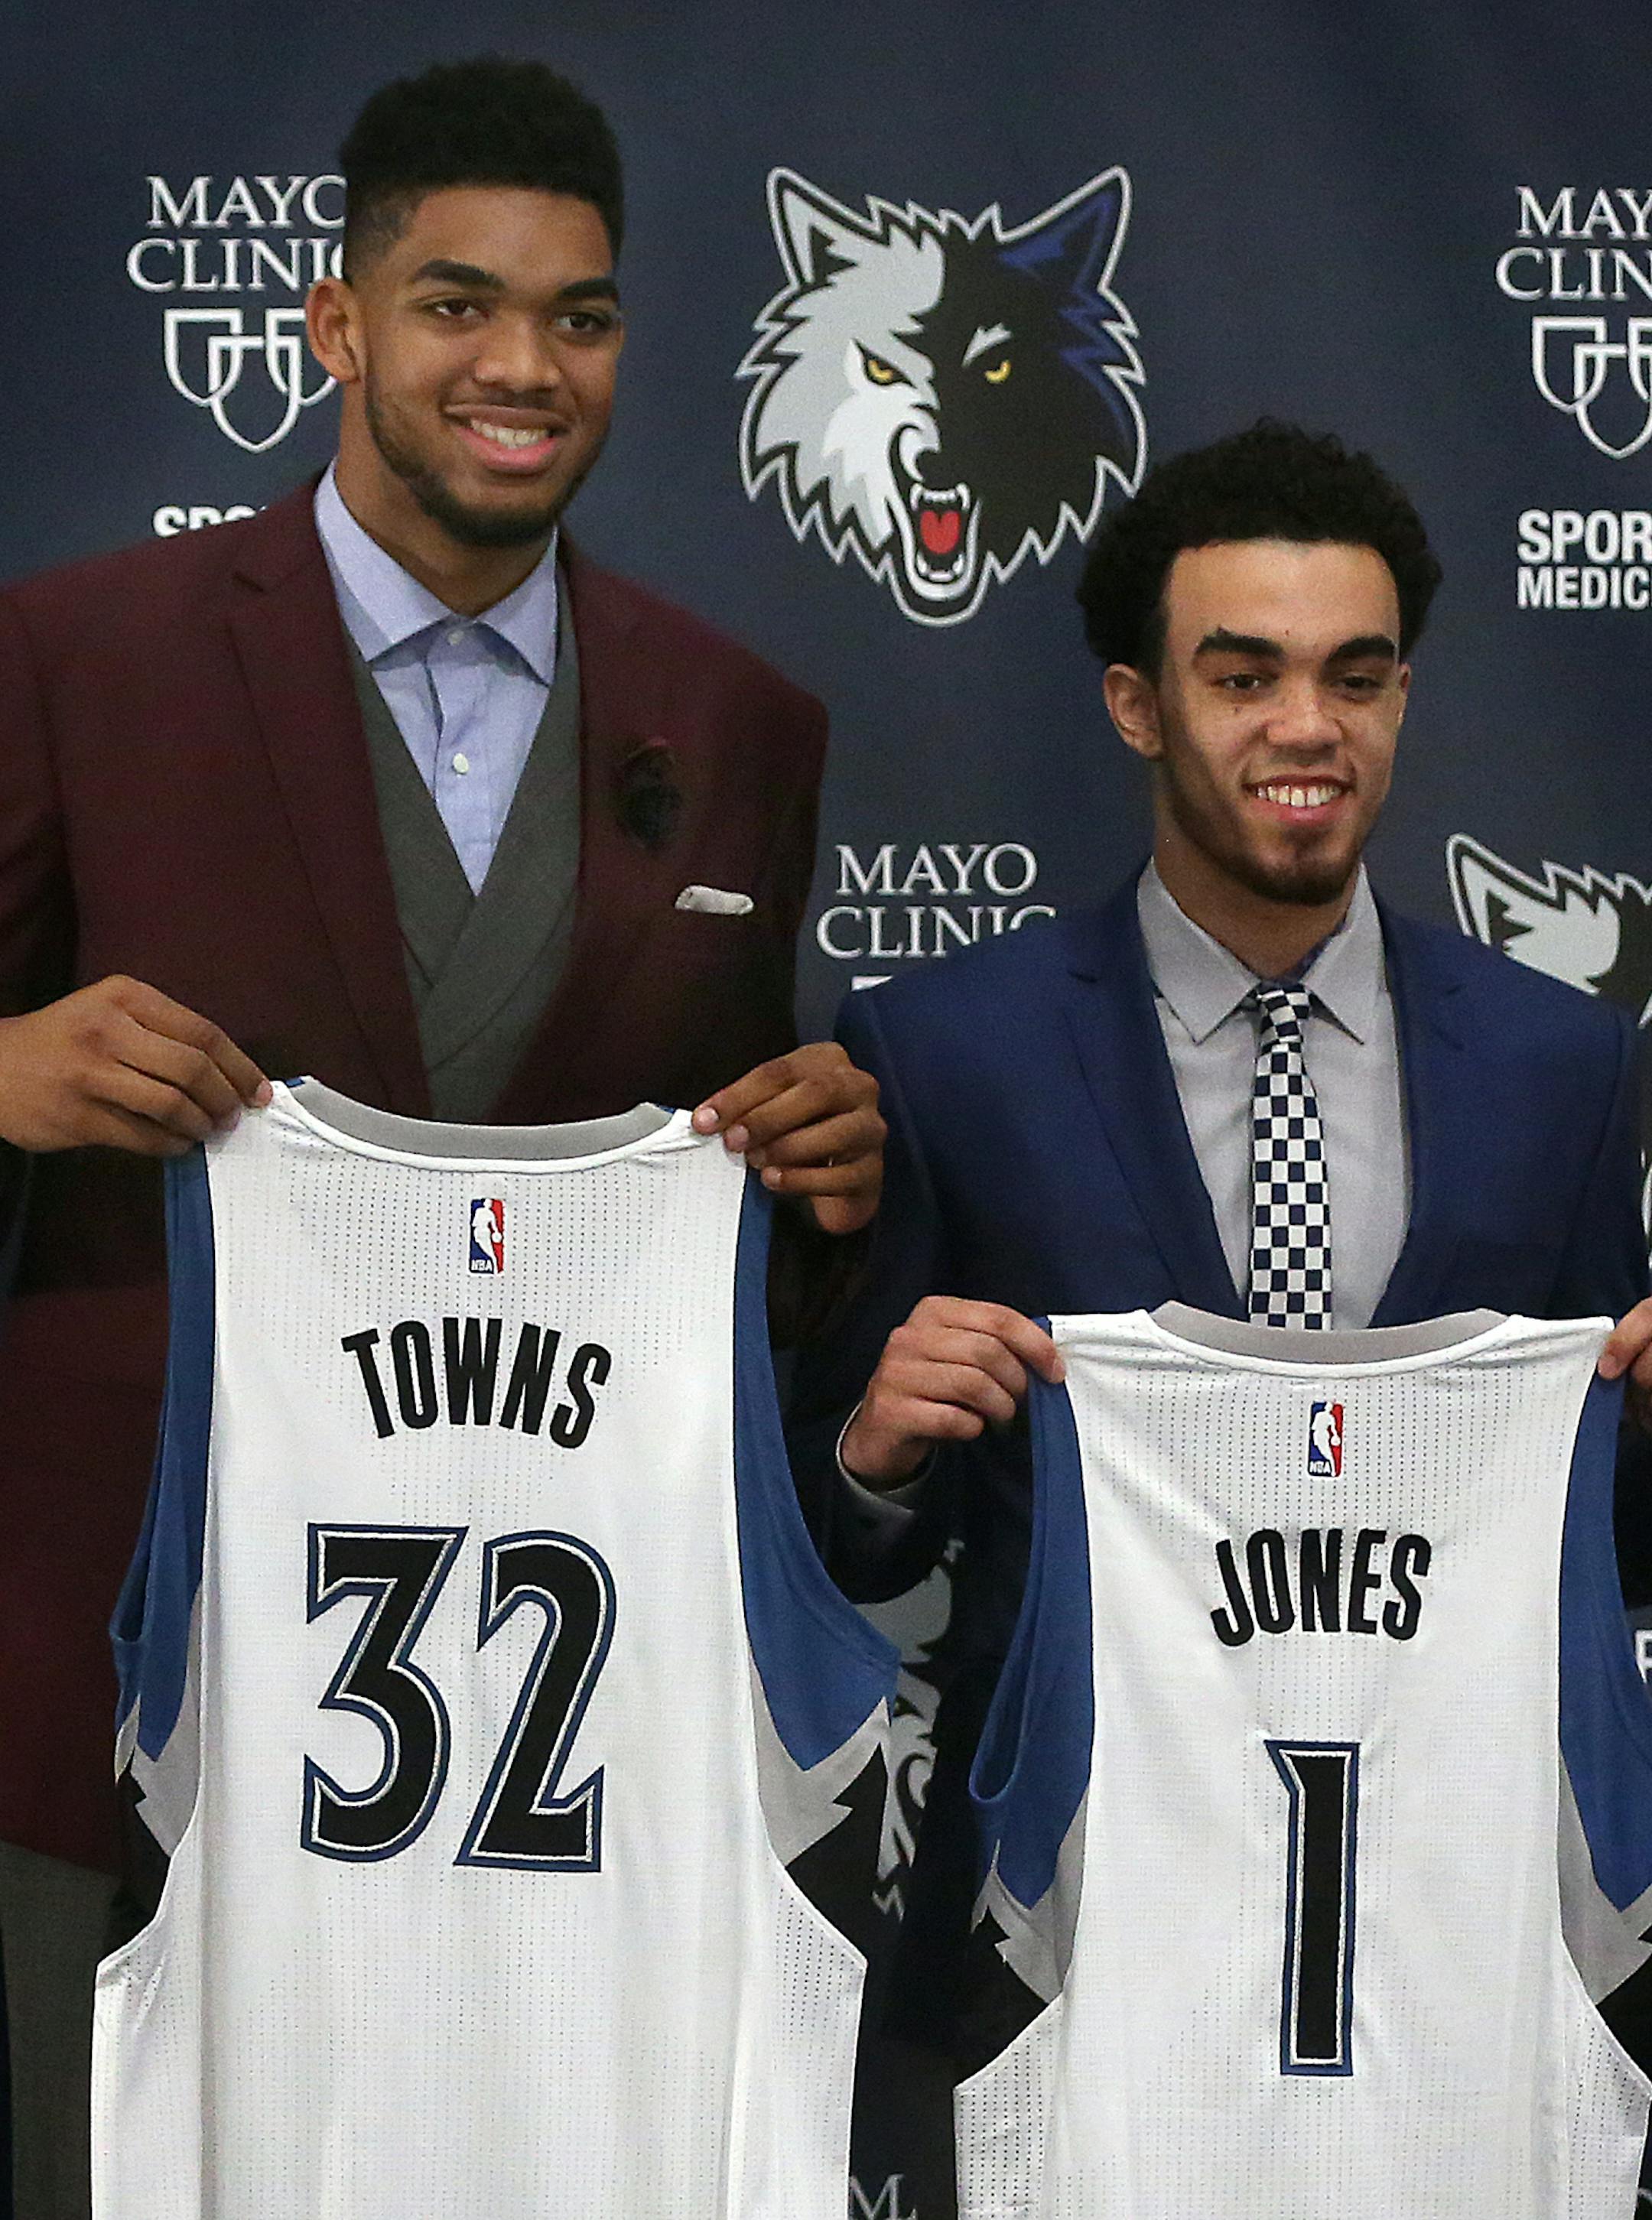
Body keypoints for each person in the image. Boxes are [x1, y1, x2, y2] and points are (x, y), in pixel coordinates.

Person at [0, 55, 882, 2220]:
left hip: (552, 1738)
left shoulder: (739, 724)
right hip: (132, 1681)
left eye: (578, 319)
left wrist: (828, 1179)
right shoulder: (76, 656)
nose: (521, 367)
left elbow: (734, 1255)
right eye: (458, 303)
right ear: (333, 325)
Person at [789, 417, 1652, 2051]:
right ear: (1139, 702)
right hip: (1073, 1912)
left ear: (1403, 696)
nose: (1305, 728)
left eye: (1357, 675)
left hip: (1450, 1913)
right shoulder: (945, 1050)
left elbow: (1613, 1535)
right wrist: (877, 1455)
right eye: (1244, 676)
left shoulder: (1568, 1064)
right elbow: (842, 1549)